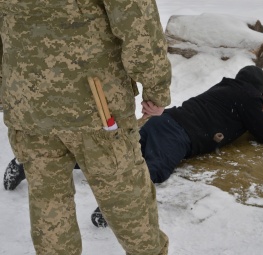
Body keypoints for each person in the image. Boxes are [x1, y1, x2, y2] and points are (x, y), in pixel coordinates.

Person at [4, 65, 263, 227]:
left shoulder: (225, 88)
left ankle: (33, 162)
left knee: (113, 155)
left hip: (162, 120)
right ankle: (116, 203)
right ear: (257, 89)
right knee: (155, 169)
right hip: (178, 134)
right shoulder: (249, 99)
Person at [0, 1, 170, 254]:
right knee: (125, 200)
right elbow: (138, 23)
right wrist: (157, 90)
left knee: (49, 206)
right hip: (96, 108)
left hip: (29, 104)